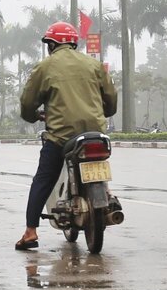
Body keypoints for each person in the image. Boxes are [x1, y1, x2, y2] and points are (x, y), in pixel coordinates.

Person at [14, 21, 116, 251]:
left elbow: (28, 103)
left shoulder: (45, 67)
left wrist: (33, 116)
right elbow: (111, 98)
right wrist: (103, 114)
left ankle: (30, 232)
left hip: (61, 136)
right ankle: (107, 195)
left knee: (43, 178)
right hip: (95, 133)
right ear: (73, 43)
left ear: (52, 45)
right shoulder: (94, 64)